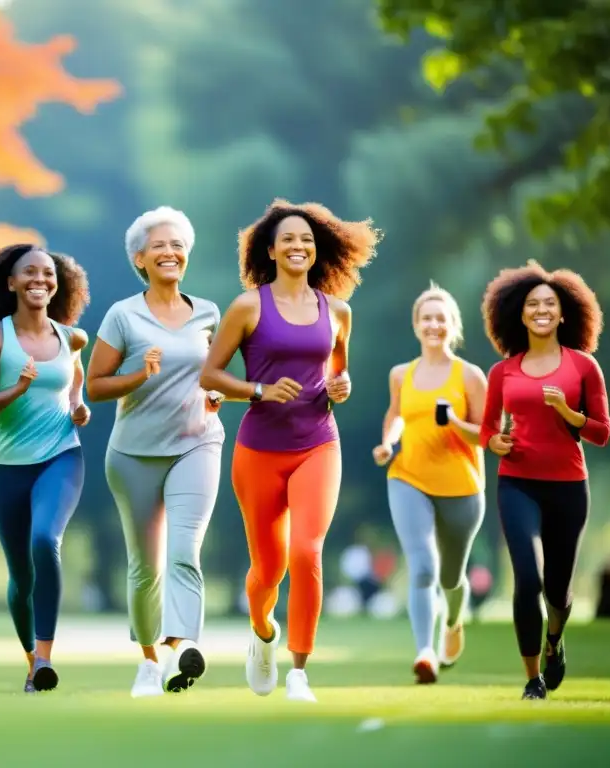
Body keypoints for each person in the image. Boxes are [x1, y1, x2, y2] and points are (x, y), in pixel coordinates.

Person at [200, 199, 380, 703]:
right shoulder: (248, 306)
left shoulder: (338, 312)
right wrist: (257, 390)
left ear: (317, 249)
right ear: (271, 250)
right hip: (259, 449)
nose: (298, 246)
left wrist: (341, 385)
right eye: (288, 240)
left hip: (318, 443)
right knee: (268, 570)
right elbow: (209, 376)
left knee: (307, 551)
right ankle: (262, 632)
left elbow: (338, 370)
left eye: (306, 239)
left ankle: (299, 671)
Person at [86, 206, 225, 698]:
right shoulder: (123, 315)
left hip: (197, 442)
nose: (170, 252)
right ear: (140, 258)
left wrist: (216, 395)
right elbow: (94, 385)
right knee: (146, 567)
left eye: (177, 245)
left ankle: (182, 647)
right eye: (160, 246)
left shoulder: (208, 312)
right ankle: (149, 660)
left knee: (185, 551)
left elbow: (215, 375)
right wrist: (138, 376)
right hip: (134, 453)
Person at [479, 261, 609, 700]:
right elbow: (486, 429)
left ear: (564, 313)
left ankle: (555, 638)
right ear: (519, 313)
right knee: (528, 581)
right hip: (517, 484)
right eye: (533, 304)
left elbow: (602, 432)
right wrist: (495, 443)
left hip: (569, 488)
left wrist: (569, 415)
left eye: (549, 304)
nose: (541, 310)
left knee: (558, 590)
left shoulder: (584, 367)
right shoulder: (504, 371)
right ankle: (532, 677)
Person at [0, 243, 91, 693]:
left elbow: (74, 382)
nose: (41, 279)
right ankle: (29, 663)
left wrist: (79, 407)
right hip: (4, 469)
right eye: (30, 273)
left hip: (61, 455)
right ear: (11, 283)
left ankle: (44, 659)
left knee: (45, 539)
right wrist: (16, 389)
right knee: (20, 575)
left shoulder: (71, 337)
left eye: (49, 273)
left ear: (58, 284)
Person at [372, 283, 487, 684]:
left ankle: (454, 620)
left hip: (462, 487)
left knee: (451, 577)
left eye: (441, 318)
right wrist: (388, 444)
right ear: (416, 325)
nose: (433, 324)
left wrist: (454, 422)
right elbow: (395, 416)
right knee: (422, 565)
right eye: (426, 318)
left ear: (452, 325)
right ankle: (425, 651)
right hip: (409, 478)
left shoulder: (470, 376)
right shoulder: (400, 374)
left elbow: (486, 434)